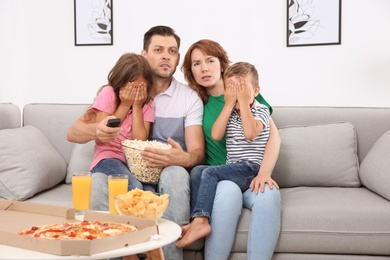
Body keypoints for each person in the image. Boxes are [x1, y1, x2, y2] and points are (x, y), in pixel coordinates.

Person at [67, 26, 204, 260]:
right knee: (103, 181)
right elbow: (81, 130)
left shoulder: (182, 98)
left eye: (171, 51)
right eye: (158, 49)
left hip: (150, 168)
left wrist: (183, 157)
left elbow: (192, 150)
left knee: (167, 178)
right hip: (113, 161)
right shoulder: (111, 93)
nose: (165, 56)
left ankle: (162, 251)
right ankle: (121, 250)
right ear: (144, 54)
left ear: (178, 58)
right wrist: (123, 106)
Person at [179, 39, 281, 260]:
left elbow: (273, 137)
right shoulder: (195, 102)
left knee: (270, 196)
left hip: (252, 171)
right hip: (222, 176)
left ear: (222, 64)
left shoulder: (246, 92)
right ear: (191, 72)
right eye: (196, 64)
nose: (204, 68)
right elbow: (212, 137)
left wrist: (264, 173)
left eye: (210, 61)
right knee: (224, 193)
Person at [89, 53, 155, 191]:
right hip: (107, 157)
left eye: (140, 89)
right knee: (134, 186)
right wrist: (124, 105)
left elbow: (139, 140)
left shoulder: (147, 104)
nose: (135, 93)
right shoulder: (108, 93)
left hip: (133, 162)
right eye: (131, 88)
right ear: (121, 82)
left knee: (150, 190)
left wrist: (137, 106)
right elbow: (102, 131)